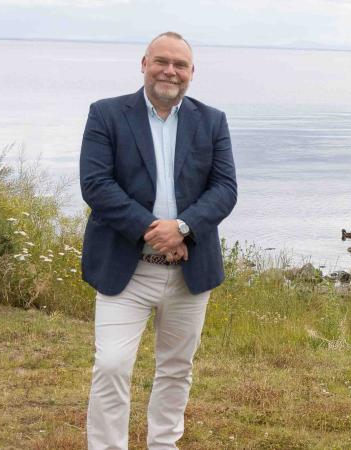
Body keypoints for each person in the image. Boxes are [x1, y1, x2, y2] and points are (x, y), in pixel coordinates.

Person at [80, 31, 237, 449]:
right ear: (144, 64)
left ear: (191, 73)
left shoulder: (212, 120)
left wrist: (183, 228)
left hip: (189, 272)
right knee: (112, 365)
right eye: (162, 61)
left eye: (180, 65)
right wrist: (157, 229)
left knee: (175, 368)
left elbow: (225, 189)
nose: (170, 71)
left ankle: (163, 445)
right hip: (125, 270)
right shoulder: (106, 114)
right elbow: (96, 184)